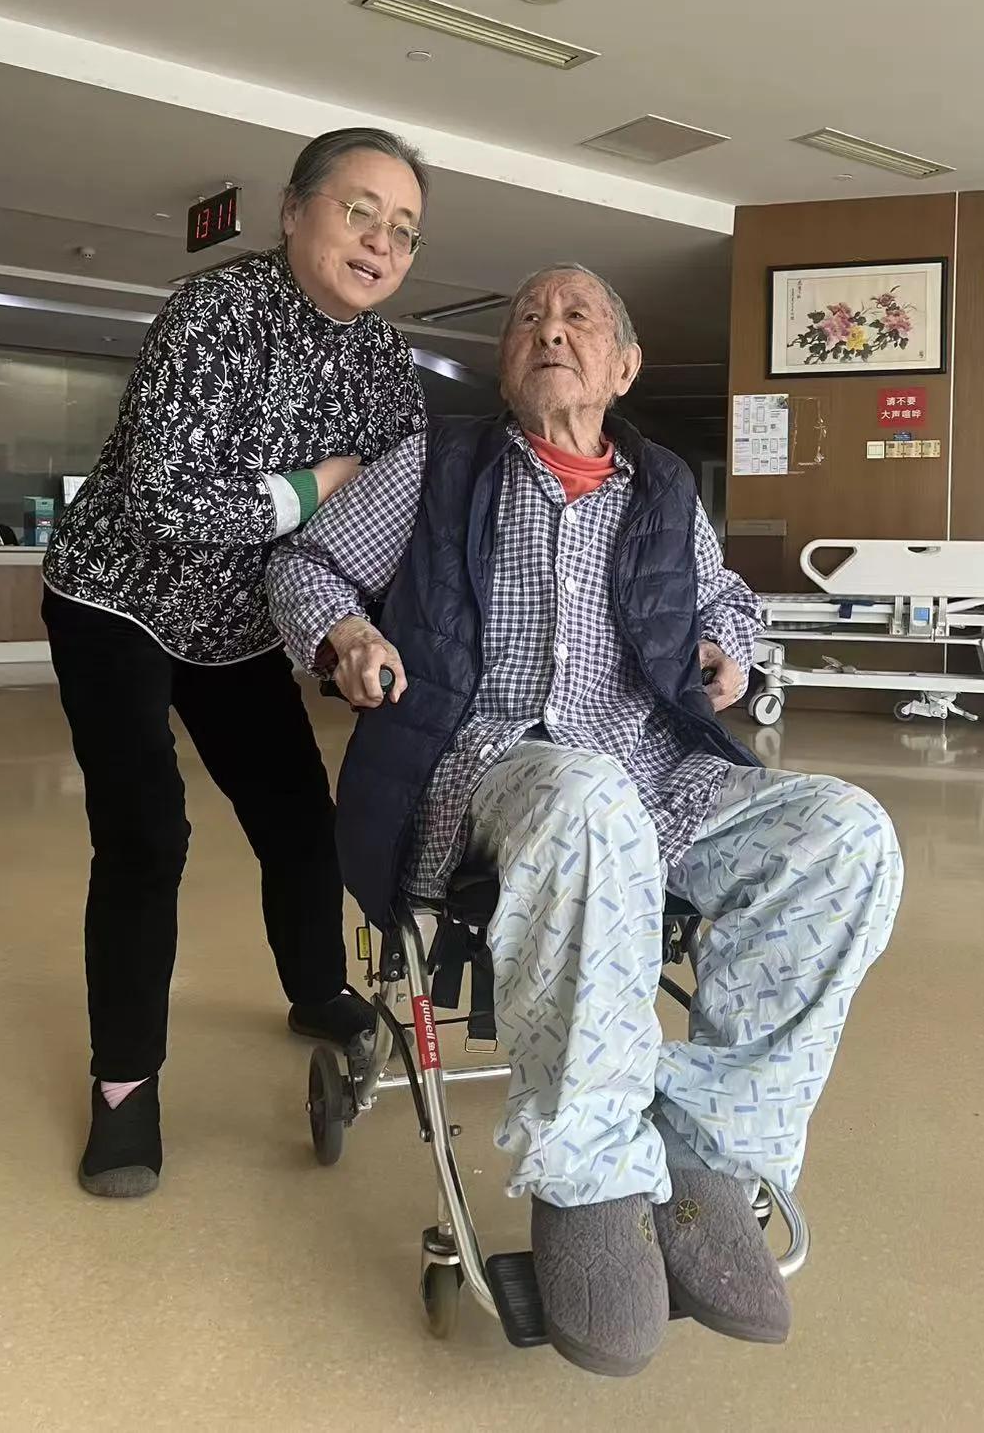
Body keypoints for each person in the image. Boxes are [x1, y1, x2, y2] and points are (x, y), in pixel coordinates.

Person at [267, 263, 903, 1376]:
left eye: (577, 318)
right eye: (526, 316)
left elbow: (722, 596)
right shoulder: (436, 464)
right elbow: (307, 560)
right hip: (486, 769)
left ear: (623, 366)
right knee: (586, 795)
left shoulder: (661, 489)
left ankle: (707, 1154)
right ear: (505, 359)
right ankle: (593, 1184)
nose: (548, 330)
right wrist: (349, 636)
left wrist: (730, 647)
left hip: (657, 771)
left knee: (844, 833)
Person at [42, 126, 430, 1199]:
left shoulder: (386, 364)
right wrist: (317, 484)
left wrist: (365, 624)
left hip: (238, 624)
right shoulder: (213, 313)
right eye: (359, 211)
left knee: (299, 818)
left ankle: (316, 988)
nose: (380, 241)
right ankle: (125, 1083)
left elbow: (401, 504)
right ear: (294, 212)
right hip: (115, 598)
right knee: (145, 831)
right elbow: (168, 501)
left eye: (403, 230)